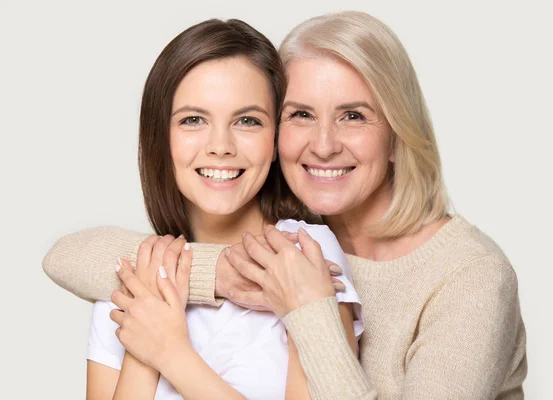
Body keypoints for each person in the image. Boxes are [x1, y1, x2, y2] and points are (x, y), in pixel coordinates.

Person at [43, 11, 527, 399]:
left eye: (353, 116)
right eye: (300, 115)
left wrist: (309, 309)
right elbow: (65, 257)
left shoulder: (469, 276)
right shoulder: (286, 242)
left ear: (399, 134)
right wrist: (217, 273)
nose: (322, 146)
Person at [76, 18, 362, 400]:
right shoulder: (137, 273)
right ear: (160, 135)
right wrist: (142, 356)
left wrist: (171, 354)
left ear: (275, 138)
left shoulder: (302, 252)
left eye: (247, 121)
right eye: (193, 120)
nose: (220, 146)